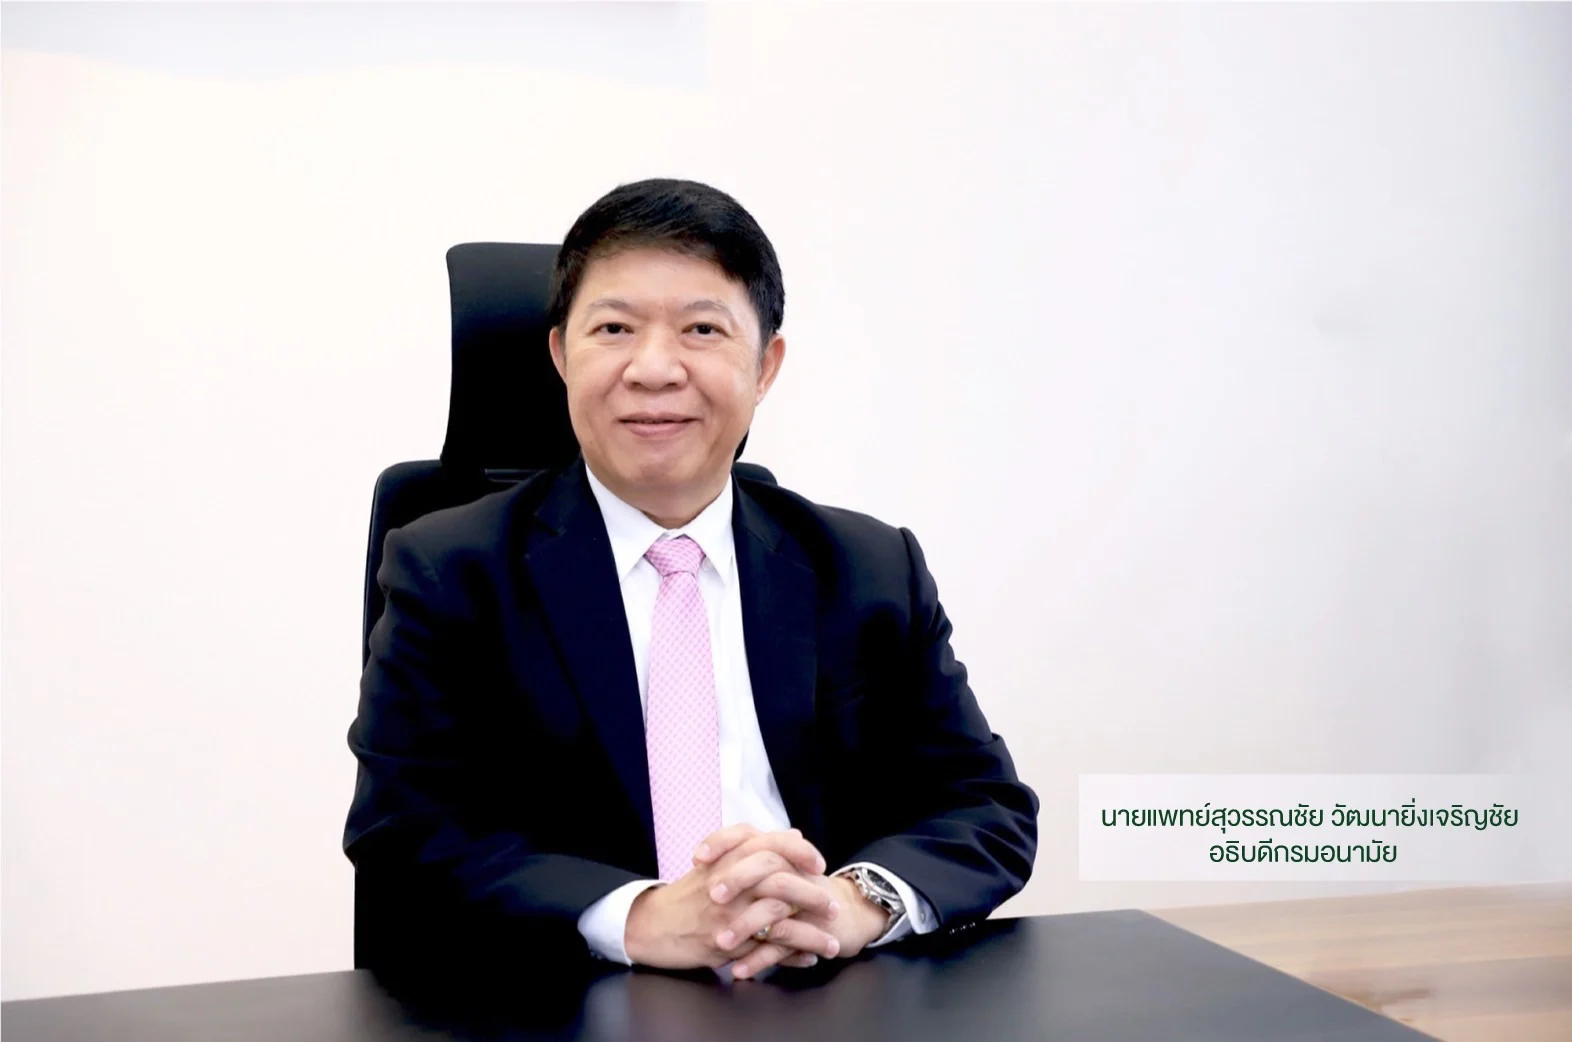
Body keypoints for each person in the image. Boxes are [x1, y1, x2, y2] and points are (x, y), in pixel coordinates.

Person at [343, 178, 1038, 985]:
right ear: (561, 356)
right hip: (564, 998)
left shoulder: (867, 567)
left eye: (702, 329)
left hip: (821, 993)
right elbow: (402, 830)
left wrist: (852, 903)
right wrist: (639, 917)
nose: (653, 368)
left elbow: (984, 806)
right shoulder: (450, 570)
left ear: (765, 365)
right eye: (614, 328)